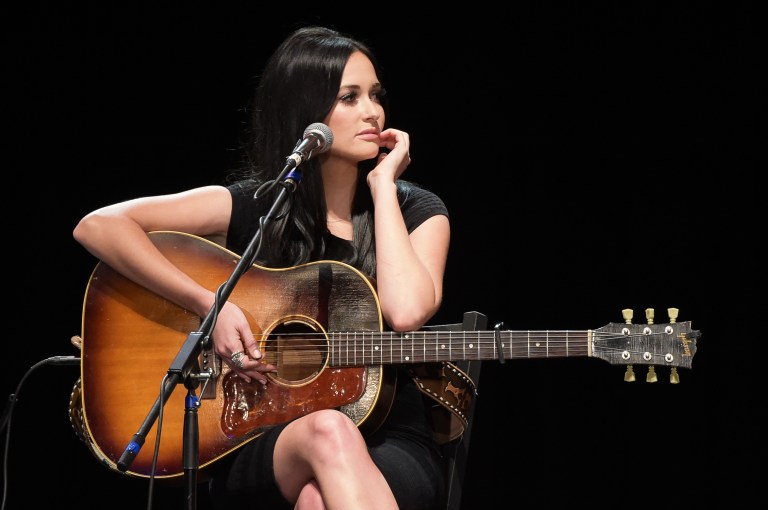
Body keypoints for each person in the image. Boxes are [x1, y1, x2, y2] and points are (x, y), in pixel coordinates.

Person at [73, 26, 451, 510]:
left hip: (391, 440)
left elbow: (405, 312)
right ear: (304, 111)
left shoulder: (418, 211)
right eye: (349, 98)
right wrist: (210, 306)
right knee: (327, 431)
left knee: (318, 498)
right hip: (255, 435)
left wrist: (382, 188)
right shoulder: (255, 206)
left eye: (375, 95)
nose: (373, 112)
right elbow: (98, 226)